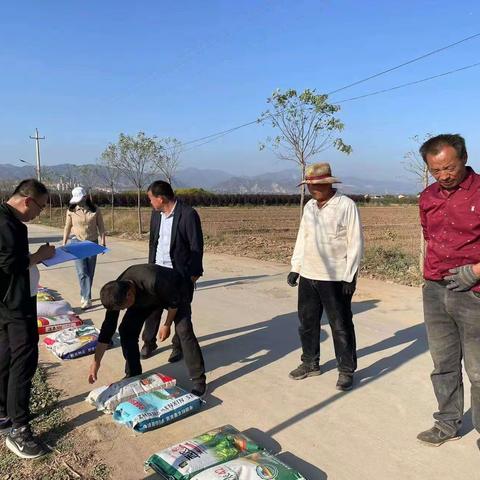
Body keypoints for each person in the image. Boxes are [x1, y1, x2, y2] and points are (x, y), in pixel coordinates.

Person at [417, 134, 480, 449]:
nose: (443, 176)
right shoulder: (428, 196)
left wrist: (476, 270)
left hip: (474, 293)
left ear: (465, 158)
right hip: (435, 290)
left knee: (479, 369)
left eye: (449, 168)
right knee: (443, 364)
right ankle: (446, 424)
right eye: (435, 170)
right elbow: (429, 236)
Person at [287, 162, 363, 391]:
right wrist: (295, 267)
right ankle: (310, 363)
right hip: (309, 274)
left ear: (329, 184)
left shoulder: (346, 205)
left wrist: (350, 276)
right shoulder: (310, 207)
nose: (313, 189)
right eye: (310, 186)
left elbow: (356, 241)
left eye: (317, 185)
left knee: (340, 325)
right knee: (307, 323)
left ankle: (346, 370)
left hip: (335, 277)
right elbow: (304, 237)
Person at [88, 264, 207, 397]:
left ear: (129, 294)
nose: (122, 311)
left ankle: (199, 380)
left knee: (184, 330)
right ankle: (133, 373)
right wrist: (96, 361)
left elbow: (174, 303)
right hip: (147, 299)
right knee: (126, 330)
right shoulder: (116, 292)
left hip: (175, 290)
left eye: (123, 308)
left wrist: (166, 324)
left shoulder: (152, 279)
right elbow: (107, 330)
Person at [0, 179, 55, 459]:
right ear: (27, 201)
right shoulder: (9, 225)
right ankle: (19, 431)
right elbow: (10, 264)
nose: (40, 213)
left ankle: (3, 414)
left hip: (7, 304)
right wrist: (39, 256)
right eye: (41, 207)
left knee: (6, 357)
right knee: (24, 361)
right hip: (15, 303)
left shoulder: (5, 218)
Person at [140, 180, 204, 362]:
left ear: (160, 199)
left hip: (178, 273)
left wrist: (194, 272)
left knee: (181, 314)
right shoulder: (156, 214)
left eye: (151, 199)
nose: (150, 202)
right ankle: (149, 342)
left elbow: (196, 245)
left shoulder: (188, 214)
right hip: (156, 272)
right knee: (152, 310)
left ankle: (178, 346)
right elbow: (154, 242)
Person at [62, 186, 106, 309]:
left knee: (90, 272)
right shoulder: (71, 211)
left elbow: (101, 227)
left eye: (80, 199)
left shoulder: (95, 210)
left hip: (92, 243)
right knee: (82, 272)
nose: (78, 202)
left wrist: (103, 242)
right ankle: (87, 298)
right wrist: (64, 242)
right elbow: (67, 227)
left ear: (86, 197)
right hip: (77, 243)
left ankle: (85, 293)